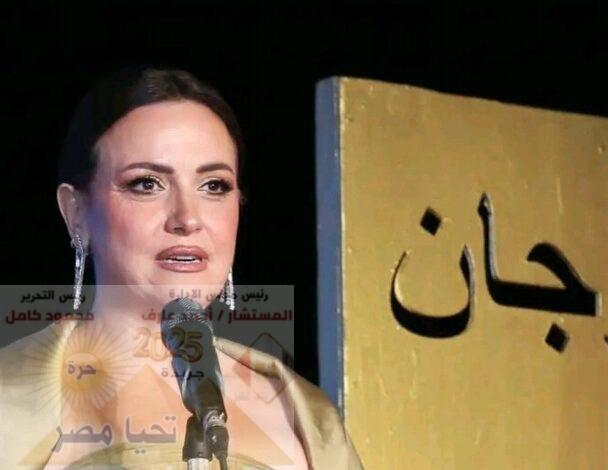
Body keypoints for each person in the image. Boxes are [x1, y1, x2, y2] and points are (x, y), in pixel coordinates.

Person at [0, 68, 363, 469]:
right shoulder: (10, 402)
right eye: (146, 183)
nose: (187, 219)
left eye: (214, 186)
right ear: (76, 212)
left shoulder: (305, 418)